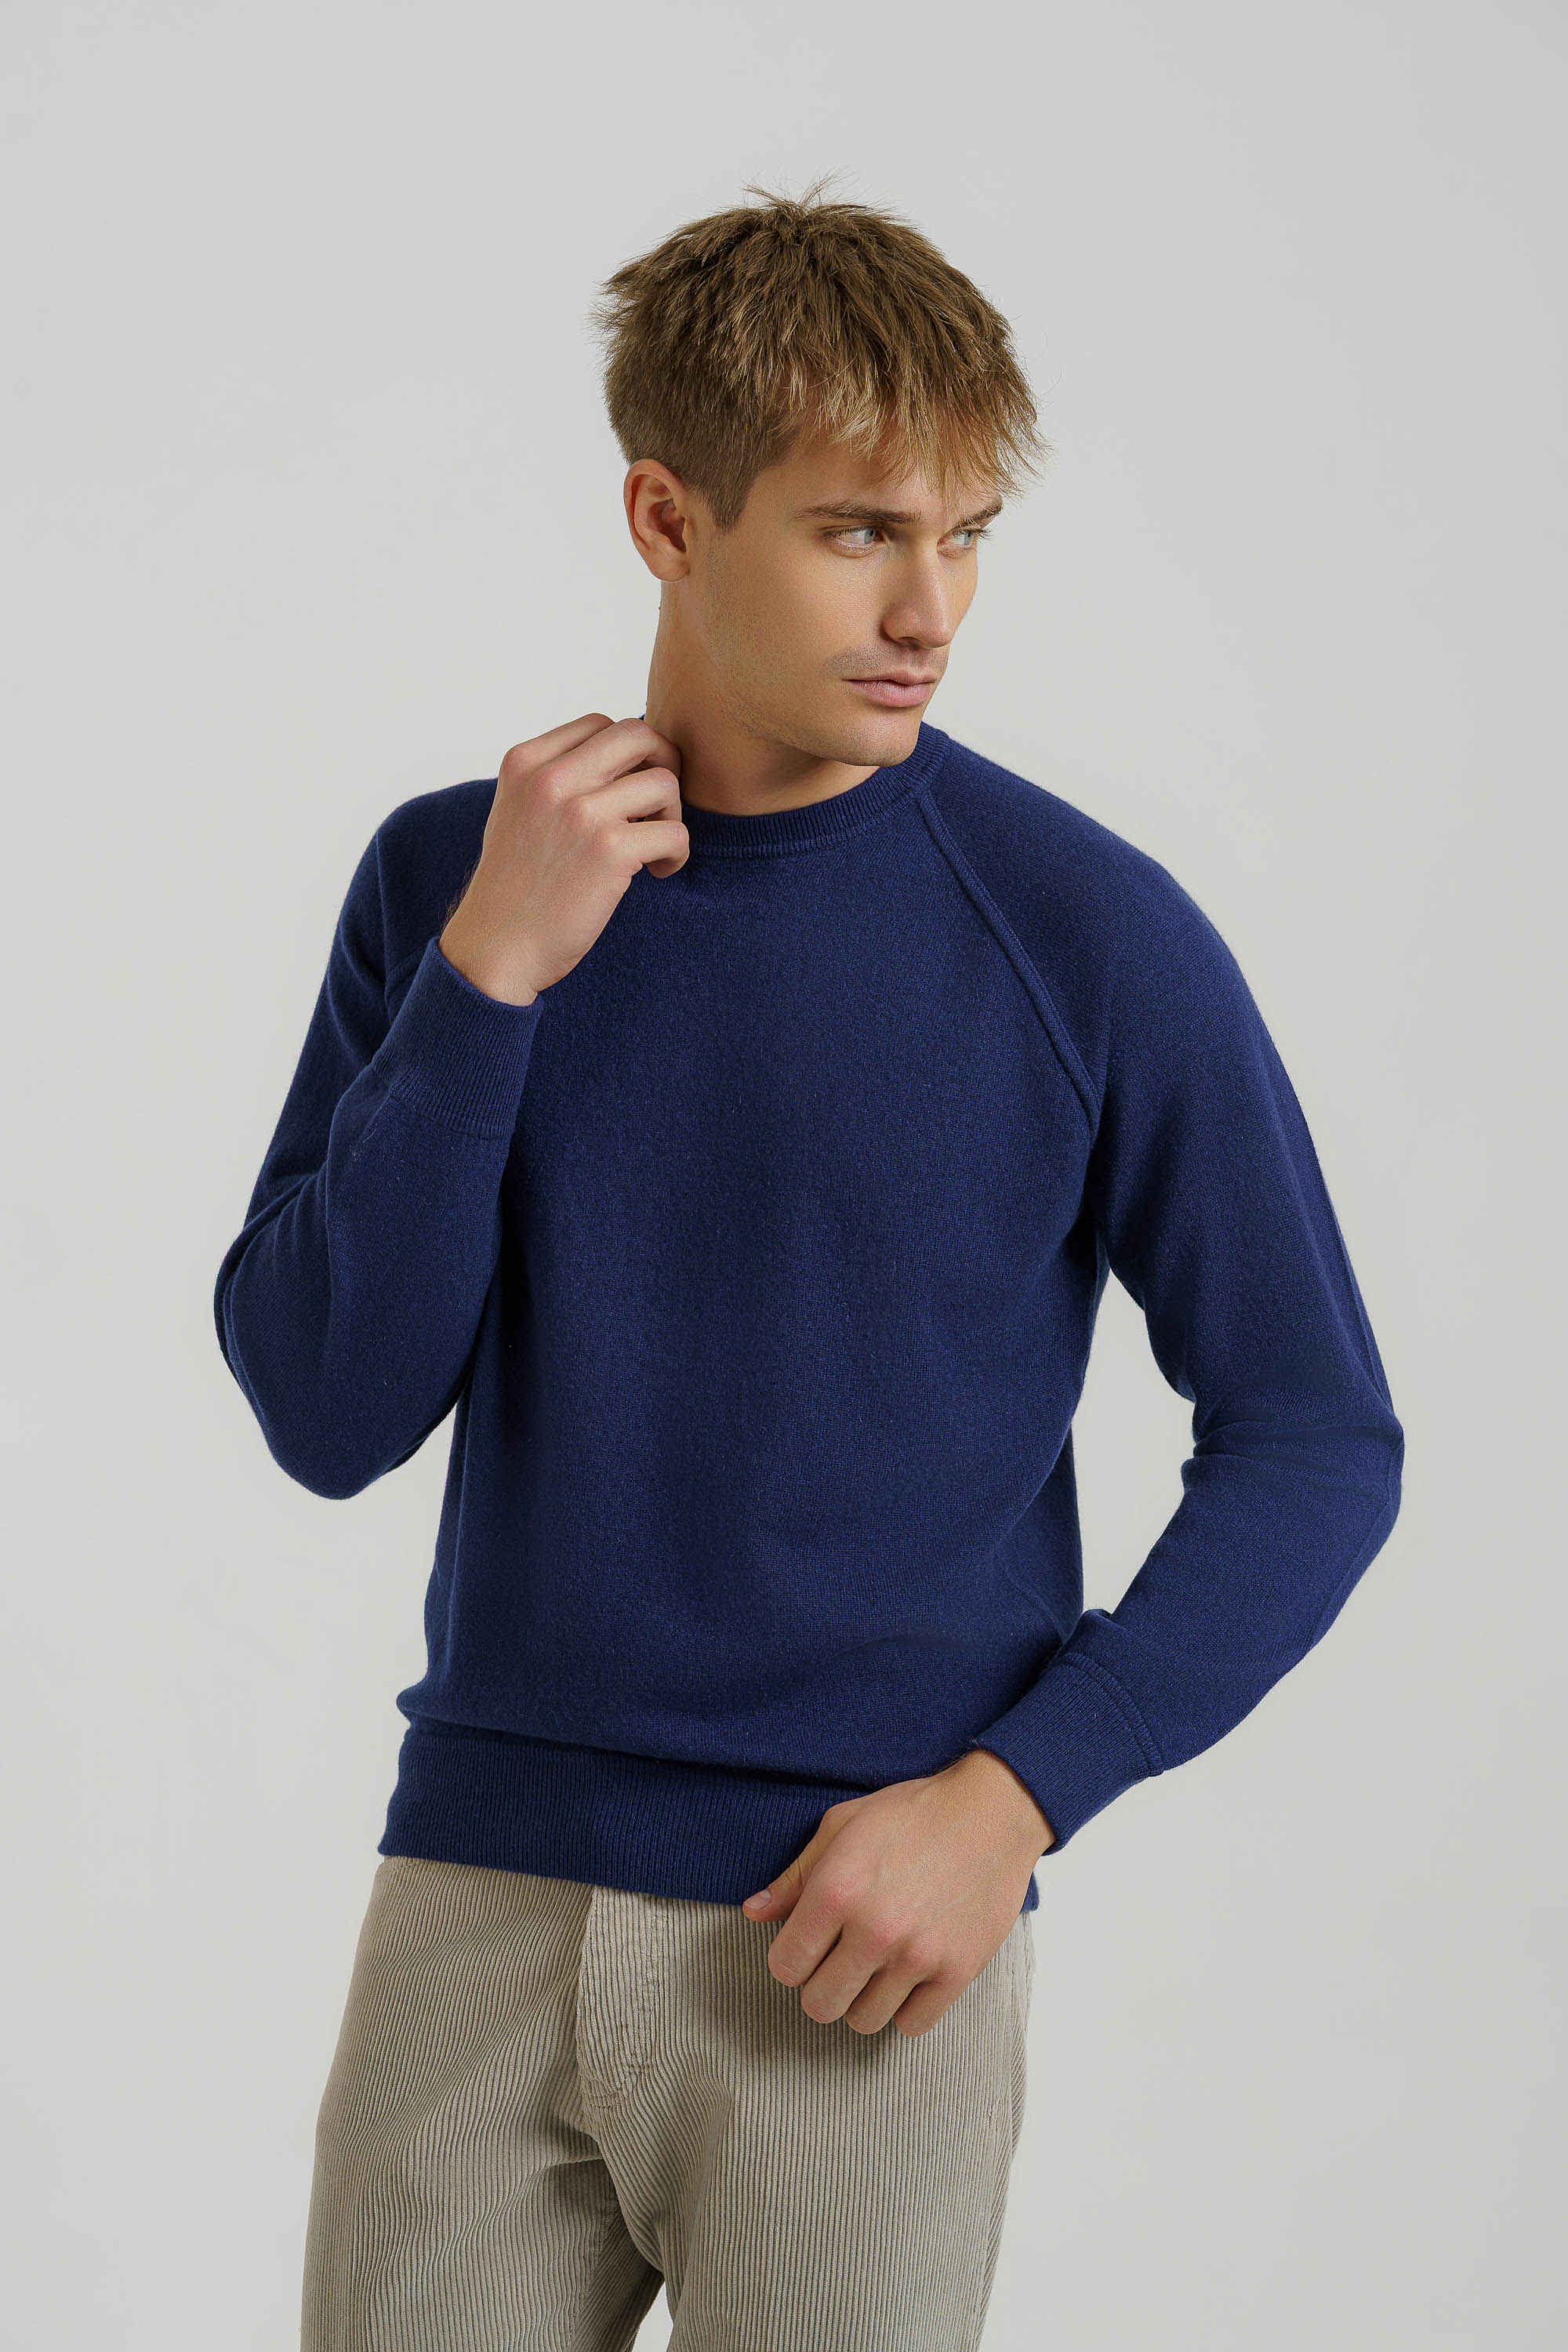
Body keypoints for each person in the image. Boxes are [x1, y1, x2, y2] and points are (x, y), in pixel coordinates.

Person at [213, 184, 1404, 2352]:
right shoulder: (454, 880)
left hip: (856, 1935)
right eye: (860, 530)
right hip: (476, 1888)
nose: (930, 606)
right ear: (667, 519)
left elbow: (1319, 1434)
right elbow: (325, 1408)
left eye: (966, 534)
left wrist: (1017, 1798)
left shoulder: (1084, 933)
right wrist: (490, 978)